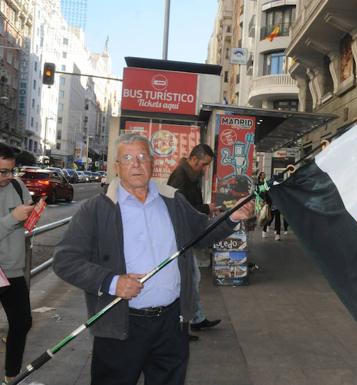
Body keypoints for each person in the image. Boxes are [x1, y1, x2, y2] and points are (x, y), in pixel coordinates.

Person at [53, 134, 255, 385]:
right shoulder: (97, 208)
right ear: (116, 167)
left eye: (142, 157)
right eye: (127, 158)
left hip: (171, 323)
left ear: (152, 163)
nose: (136, 164)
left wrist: (232, 218)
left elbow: (201, 232)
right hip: (120, 326)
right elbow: (65, 260)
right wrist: (111, 282)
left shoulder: (172, 201)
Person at [167, 144, 221, 334]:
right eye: (204, 164)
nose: (205, 169)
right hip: (180, 237)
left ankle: (196, 319)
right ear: (194, 159)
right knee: (187, 280)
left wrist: (205, 208)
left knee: (192, 278)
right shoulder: (181, 176)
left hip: (184, 235)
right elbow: (179, 207)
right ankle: (182, 325)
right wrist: (205, 208)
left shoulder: (189, 175)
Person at [0, 144, 34, 385]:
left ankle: (12, 375)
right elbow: (14, 219)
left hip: (12, 269)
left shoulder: (15, 184)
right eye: (2, 171)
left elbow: (28, 210)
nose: (8, 176)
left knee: (22, 322)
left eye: (11, 170)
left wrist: (32, 215)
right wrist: (13, 218)